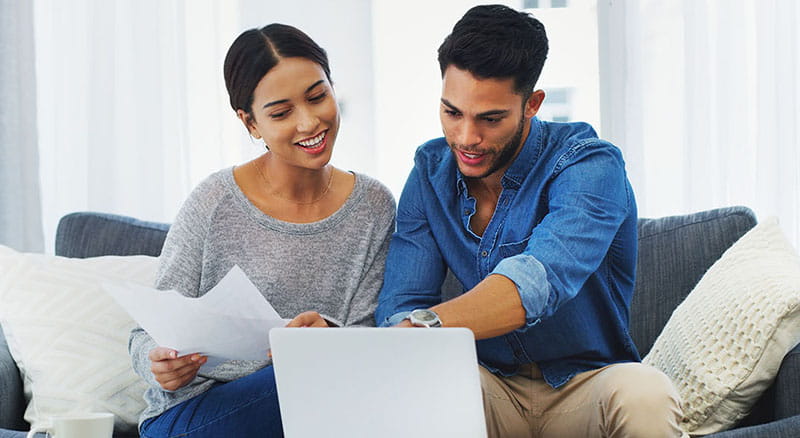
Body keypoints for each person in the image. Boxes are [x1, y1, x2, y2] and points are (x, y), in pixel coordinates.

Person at [375, 5, 686, 438]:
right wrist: (385, 334)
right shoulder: (429, 173)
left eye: (491, 118)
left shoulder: (591, 165)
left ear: (532, 104)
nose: (466, 138)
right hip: (487, 386)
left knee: (645, 393)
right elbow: (400, 304)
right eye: (452, 112)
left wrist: (427, 326)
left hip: (585, 384)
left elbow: (536, 281)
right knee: (416, 384)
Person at [129, 23, 395, 438]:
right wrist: (159, 361)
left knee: (340, 380)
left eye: (317, 96)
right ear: (250, 123)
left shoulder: (374, 206)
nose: (309, 122)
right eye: (281, 113)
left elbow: (368, 338)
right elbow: (146, 335)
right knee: (303, 379)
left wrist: (331, 337)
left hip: (318, 408)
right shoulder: (214, 200)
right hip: (195, 415)